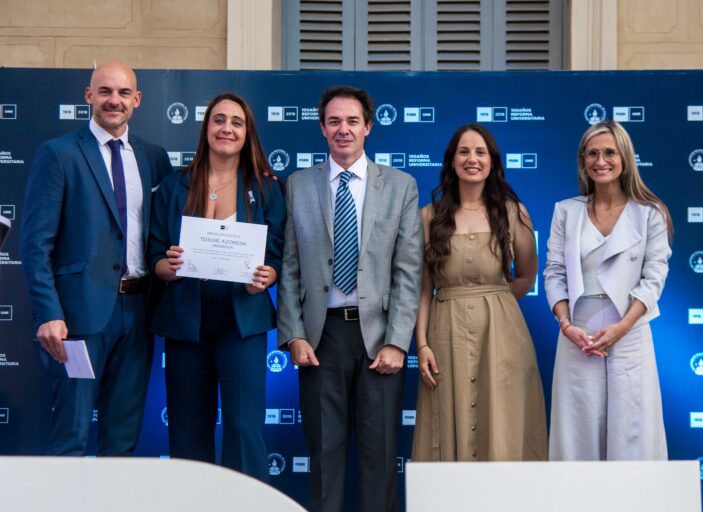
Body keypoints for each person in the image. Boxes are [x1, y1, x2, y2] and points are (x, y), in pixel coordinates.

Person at [277, 86, 422, 512]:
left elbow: (408, 271)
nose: (344, 129)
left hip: (379, 338)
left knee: (379, 459)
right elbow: (290, 267)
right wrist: (294, 335)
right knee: (324, 458)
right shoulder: (298, 185)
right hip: (320, 339)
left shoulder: (400, 186)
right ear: (323, 129)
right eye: (334, 121)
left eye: (352, 121)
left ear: (368, 127)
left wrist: (398, 341)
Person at [20, 61, 173, 455]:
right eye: (105, 91)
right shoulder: (58, 154)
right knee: (69, 437)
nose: (114, 100)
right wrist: (49, 312)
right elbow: (35, 245)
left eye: (123, 93)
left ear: (137, 100)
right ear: (89, 96)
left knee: (122, 440)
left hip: (139, 314)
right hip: (76, 318)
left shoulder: (154, 158)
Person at [149, 93, 285, 480]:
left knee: (244, 429)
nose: (227, 128)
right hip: (186, 322)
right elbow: (155, 255)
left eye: (236, 122)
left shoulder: (267, 189)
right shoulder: (174, 185)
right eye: (219, 120)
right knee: (187, 430)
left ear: (247, 133)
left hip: (242, 321)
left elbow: (277, 255)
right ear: (206, 128)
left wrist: (268, 276)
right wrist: (168, 267)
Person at [411, 123, 548, 462]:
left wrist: (493, 303)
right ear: (452, 160)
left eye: (480, 152)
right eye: (464, 152)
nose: (472, 159)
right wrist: (422, 344)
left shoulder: (514, 213)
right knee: (446, 418)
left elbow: (526, 276)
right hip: (446, 333)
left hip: (502, 336)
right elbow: (423, 289)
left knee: (503, 423)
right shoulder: (428, 217)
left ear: (492, 161)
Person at [544, 120, 673, 461]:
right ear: (583, 160)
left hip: (630, 330)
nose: (601, 161)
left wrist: (622, 327)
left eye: (609, 153)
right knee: (576, 434)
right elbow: (554, 272)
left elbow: (654, 277)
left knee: (632, 432)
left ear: (625, 158)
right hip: (578, 334)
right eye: (592, 154)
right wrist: (566, 325)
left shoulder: (650, 214)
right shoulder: (565, 211)